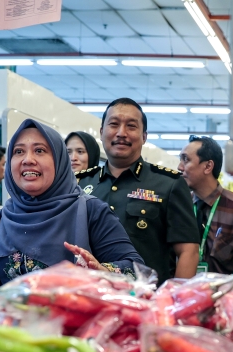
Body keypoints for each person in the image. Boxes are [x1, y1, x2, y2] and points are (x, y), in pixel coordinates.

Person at [0, 118, 143, 288]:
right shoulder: (2, 219)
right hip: (9, 314)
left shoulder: (90, 211)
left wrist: (103, 271)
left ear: (59, 160)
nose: (27, 159)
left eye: (39, 150)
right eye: (18, 152)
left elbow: (137, 270)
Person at [77, 98, 200, 283]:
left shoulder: (169, 184)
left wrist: (176, 301)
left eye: (131, 126)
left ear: (144, 136)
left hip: (146, 303)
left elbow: (187, 251)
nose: (121, 133)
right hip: (89, 299)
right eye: (114, 124)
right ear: (102, 132)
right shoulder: (79, 184)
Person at [178, 135, 233, 276]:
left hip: (221, 295)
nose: (179, 167)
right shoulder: (180, 205)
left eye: (185, 159)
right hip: (183, 294)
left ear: (208, 166)